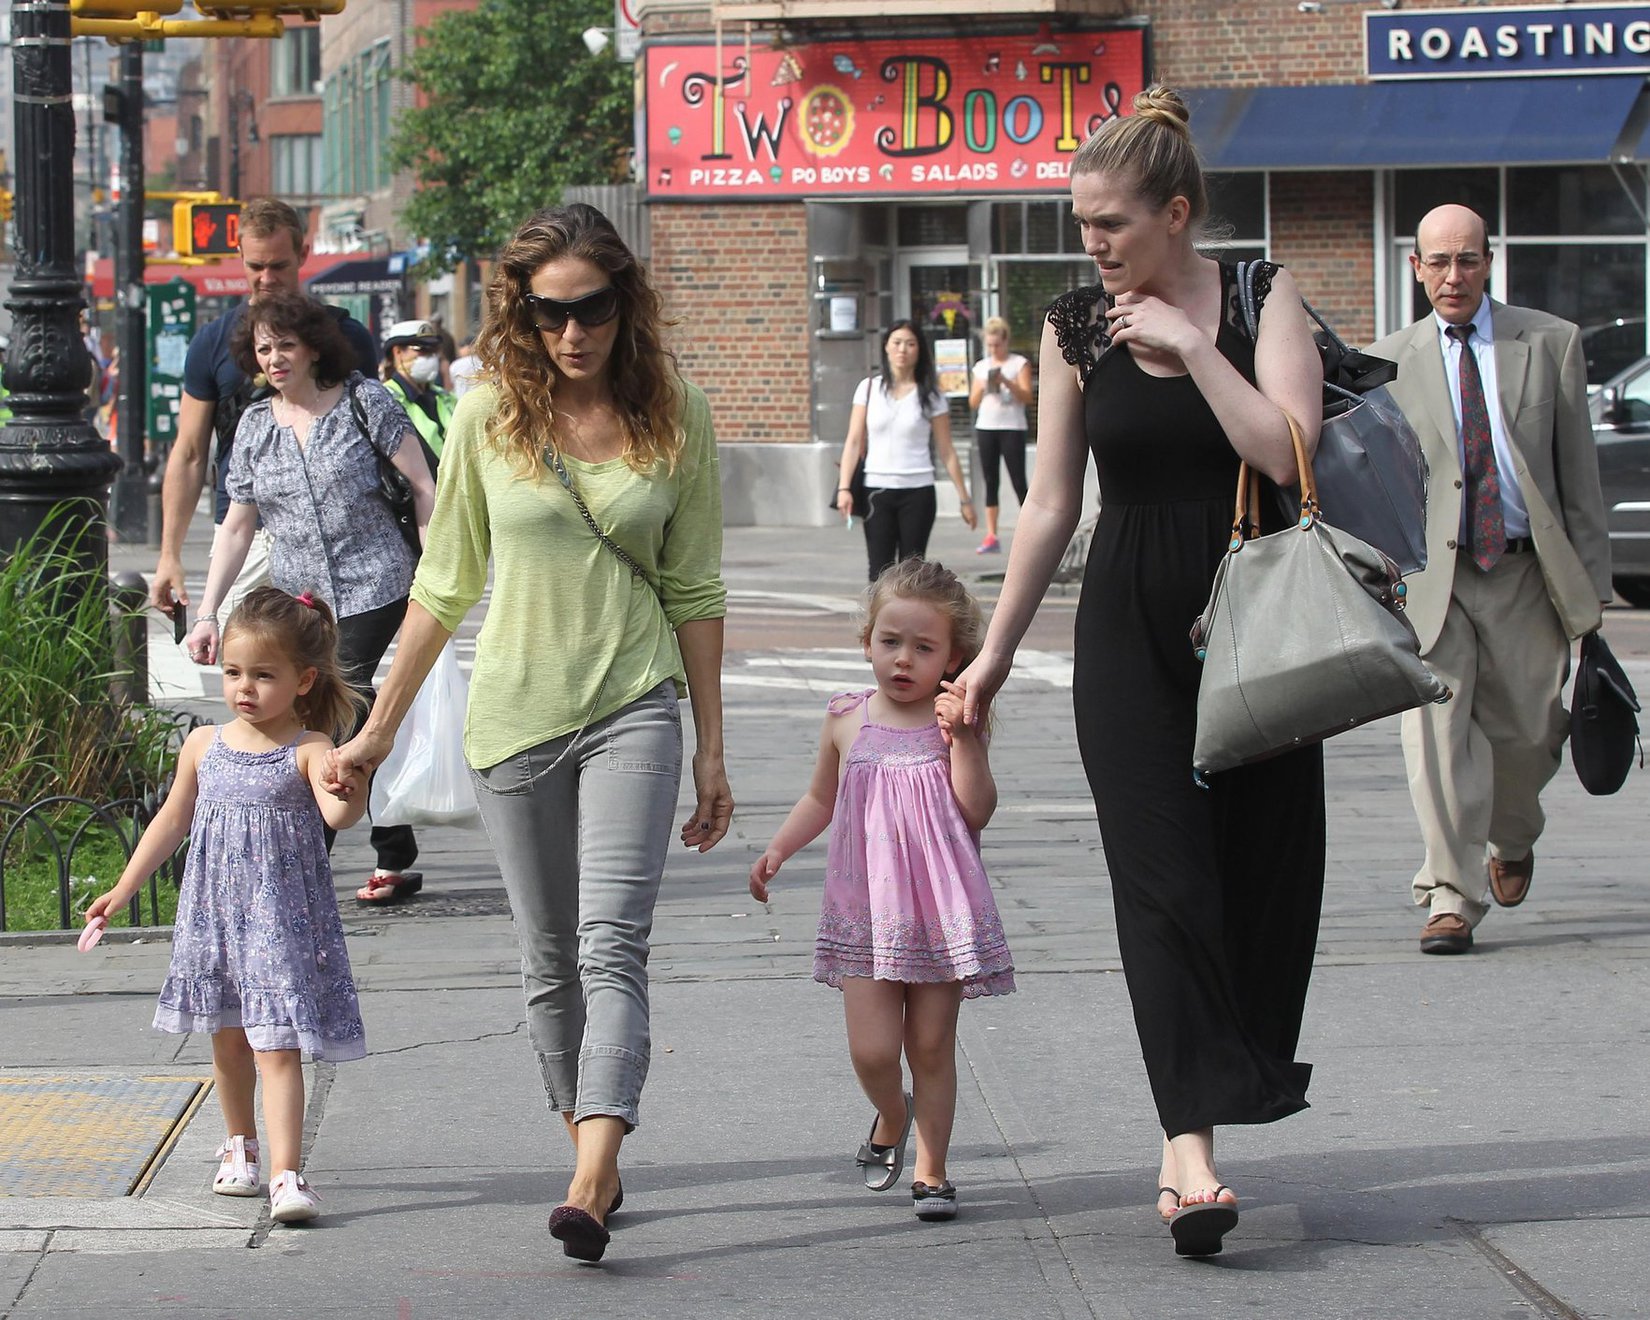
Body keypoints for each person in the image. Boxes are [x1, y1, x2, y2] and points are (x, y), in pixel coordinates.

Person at [951, 86, 1325, 1258]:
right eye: (1080, 225)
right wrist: (996, 652)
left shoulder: (1261, 298)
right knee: (1161, 886)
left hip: (1258, 631)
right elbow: (1052, 503)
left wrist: (1195, 349)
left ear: (1176, 213)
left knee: (1262, 879)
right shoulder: (1073, 327)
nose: (1093, 246)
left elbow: (1289, 455)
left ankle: (1227, 1080)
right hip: (1127, 634)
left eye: (1111, 224)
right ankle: (1189, 1148)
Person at [323, 202, 733, 1265]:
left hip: (634, 700)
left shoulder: (676, 411)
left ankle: (594, 1176)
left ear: (623, 304)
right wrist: (372, 736)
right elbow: (444, 585)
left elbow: (695, 589)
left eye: (593, 308)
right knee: (548, 959)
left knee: (612, 944)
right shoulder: (486, 418)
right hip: (512, 716)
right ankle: (586, 1136)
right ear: (522, 313)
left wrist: (712, 749)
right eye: (550, 314)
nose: (573, 334)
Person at [1368, 205, 1612, 956]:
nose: (1452, 276)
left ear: (1488, 263)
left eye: (1466, 260)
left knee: (1532, 735)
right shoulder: (1384, 361)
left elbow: (1579, 478)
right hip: (1431, 577)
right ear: (1415, 268)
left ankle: (1513, 836)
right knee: (1436, 738)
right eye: (1437, 262)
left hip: (1523, 571)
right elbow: (1376, 483)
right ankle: (1450, 893)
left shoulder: (1548, 343)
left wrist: (1592, 597)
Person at [83, 586, 370, 1225]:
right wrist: (123, 889)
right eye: (234, 672)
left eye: (264, 675)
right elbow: (170, 820)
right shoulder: (203, 744)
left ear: (304, 680)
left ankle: (287, 1174)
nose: (245, 687)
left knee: (279, 1046)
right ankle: (240, 1145)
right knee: (229, 1037)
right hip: (214, 918)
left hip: (279, 924)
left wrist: (350, 783)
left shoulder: (310, 746)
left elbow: (340, 814)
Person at [750, 559, 1013, 1222]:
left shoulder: (955, 720)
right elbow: (821, 796)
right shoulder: (846, 717)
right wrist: (779, 848)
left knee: (930, 1045)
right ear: (867, 639)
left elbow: (976, 809)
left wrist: (967, 741)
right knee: (872, 1051)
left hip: (940, 912)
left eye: (924, 649)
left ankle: (933, 1171)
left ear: (954, 657)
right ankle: (891, 1112)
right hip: (866, 911)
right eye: (890, 641)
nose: (903, 660)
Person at [182, 290, 436, 907]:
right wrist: (207, 611)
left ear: (313, 347)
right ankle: (394, 850)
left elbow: (424, 484)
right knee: (343, 707)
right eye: (263, 348)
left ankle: (298, 864)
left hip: (378, 581)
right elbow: (238, 524)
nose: (274, 358)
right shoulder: (253, 426)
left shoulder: (362, 401)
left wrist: (438, 575)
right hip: (302, 597)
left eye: (285, 345)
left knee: (325, 708)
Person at [151, 198, 378, 628]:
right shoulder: (213, 342)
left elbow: (376, 439)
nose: (267, 279)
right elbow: (189, 453)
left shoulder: (346, 337)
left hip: (334, 530)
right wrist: (169, 555)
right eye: (256, 266)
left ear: (303, 255)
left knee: (328, 679)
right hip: (244, 531)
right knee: (249, 680)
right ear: (239, 257)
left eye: (279, 265)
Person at [836, 320, 977, 581]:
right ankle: (877, 622)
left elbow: (946, 450)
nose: (903, 349)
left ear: (919, 350)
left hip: (918, 490)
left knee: (912, 574)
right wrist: (844, 488)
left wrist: (965, 499)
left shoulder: (932, 394)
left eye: (910, 344)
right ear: (886, 347)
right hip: (876, 490)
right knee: (879, 572)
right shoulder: (869, 389)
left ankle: (909, 622)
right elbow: (854, 441)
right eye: (897, 343)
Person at [967, 316, 1033, 554]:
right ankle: (991, 535)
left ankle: (1032, 531)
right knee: (990, 480)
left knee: (1018, 480)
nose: (994, 349)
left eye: (997, 344)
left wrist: (1006, 381)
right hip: (987, 426)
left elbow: (1027, 397)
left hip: (1012, 427)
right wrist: (985, 385)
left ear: (1006, 341)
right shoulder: (982, 367)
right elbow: (972, 402)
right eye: (990, 345)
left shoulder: (1019, 363)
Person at [381, 318, 455, 468]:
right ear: (398, 352)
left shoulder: (445, 397)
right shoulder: (384, 399)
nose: (430, 357)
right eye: (422, 350)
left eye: (433, 350)